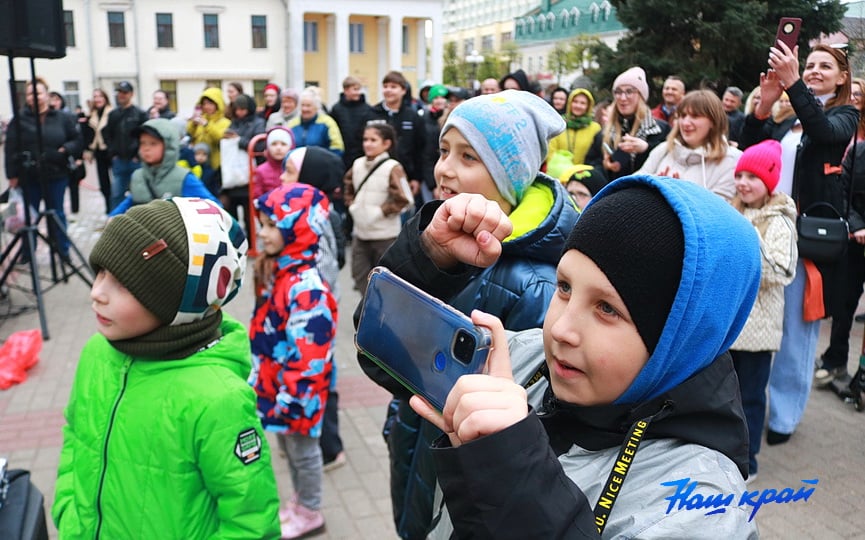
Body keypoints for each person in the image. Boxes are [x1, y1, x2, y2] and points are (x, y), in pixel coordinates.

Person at [374, 175, 760, 538]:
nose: (559, 328)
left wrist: (511, 469)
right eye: (564, 287)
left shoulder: (705, 506)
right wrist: (431, 259)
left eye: (607, 308)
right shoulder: (521, 360)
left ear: (679, 340)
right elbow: (385, 351)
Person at [357, 90, 580, 539]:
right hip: (419, 438)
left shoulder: (535, 283)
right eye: (443, 151)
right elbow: (375, 346)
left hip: (462, 471)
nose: (445, 169)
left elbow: (527, 420)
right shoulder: (444, 234)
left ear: (512, 175)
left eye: (469, 157)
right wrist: (427, 257)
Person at [53, 197, 280, 538]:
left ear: (177, 304)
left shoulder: (219, 399)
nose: (97, 292)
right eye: (100, 271)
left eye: (124, 283)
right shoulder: (97, 353)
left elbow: (251, 520)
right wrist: (68, 509)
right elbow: (76, 434)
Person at [740, 41, 857, 445]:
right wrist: (763, 105)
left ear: (843, 77)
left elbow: (824, 134)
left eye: (826, 66)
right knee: (756, 325)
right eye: (809, 65)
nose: (814, 70)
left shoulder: (845, 115)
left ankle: (784, 417)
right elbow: (748, 150)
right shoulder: (787, 116)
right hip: (765, 229)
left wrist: (792, 85)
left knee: (794, 335)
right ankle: (749, 404)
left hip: (806, 239)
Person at [249, 183, 338, 540]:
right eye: (263, 223)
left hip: (295, 395)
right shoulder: (283, 273)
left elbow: (309, 357)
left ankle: (311, 511)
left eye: (271, 225)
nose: (263, 232)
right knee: (289, 449)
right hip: (278, 388)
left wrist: (291, 400)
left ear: (298, 228)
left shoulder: (306, 287)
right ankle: (300, 501)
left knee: (304, 454)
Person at [729, 139, 797, 481]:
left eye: (752, 177)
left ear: (769, 182)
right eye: (739, 174)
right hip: (730, 325)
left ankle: (748, 460)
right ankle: (724, 451)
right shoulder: (733, 210)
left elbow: (781, 273)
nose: (742, 182)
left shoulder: (780, 221)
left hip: (758, 330)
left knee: (750, 398)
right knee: (726, 395)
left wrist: (749, 239)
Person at [3, 78, 82, 261]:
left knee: (57, 213)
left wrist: (65, 149)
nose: (34, 97)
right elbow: (10, 148)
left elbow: (77, 140)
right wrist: (12, 175)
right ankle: (27, 251)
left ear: (47, 95)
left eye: (38, 93)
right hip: (29, 176)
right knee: (28, 216)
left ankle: (62, 250)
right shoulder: (19, 120)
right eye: (30, 93)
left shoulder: (62, 118)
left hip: (56, 174)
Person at [342, 123, 411, 294]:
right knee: (360, 277)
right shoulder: (357, 164)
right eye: (365, 139)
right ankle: (366, 313)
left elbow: (404, 199)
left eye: (373, 140)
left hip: (384, 236)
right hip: (361, 234)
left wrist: (380, 212)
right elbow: (348, 187)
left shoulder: (393, 167)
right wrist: (353, 206)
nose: (368, 144)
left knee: (385, 282)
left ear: (386, 144)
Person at [637, 89, 742, 200]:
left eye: (695, 116)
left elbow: (720, 210)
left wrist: (680, 198)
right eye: (683, 116)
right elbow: (633, 186)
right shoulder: (664, 149)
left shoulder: (732, 160)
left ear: (713, 121)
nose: (686, 123)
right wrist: (651, 188)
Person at [109, 119, 220, 216]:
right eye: (143, 143)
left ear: (169, 146)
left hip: (174, 238)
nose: (146, 148)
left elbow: (214, 207)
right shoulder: (138, 176)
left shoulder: (183, 178)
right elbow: (133, 199)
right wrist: (113, 217)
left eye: (153, 143)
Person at [364, 71, 426, 212]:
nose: (388, 90)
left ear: (403, 90)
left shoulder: (413, 116)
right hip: (375, 177)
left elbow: (420, 149)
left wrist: (416, 178)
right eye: (385, 86)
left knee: (405, 218)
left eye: (393, 86)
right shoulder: (371, 114)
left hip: (405, 177)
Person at [598, 67, 670, 182]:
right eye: (618, 92)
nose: (622, 98)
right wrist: (605, 166)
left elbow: (670, 160)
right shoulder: (605, 131)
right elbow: (593, 163)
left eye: (629, 91)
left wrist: (646, 148)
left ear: (641, 96)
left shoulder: (660, 129)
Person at [104, 81, 148, 212]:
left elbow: (145, 136)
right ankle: (115, 222)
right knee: (117, 194)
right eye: (119, 92)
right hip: (119, 161)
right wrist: (113, 154)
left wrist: (138, 155)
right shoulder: (113, 114)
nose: (121, 95)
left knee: (140, 193)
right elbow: (108, 135)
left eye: (125, 92)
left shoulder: (140, 114)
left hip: (136, 161)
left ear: (131, 94)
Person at [545, 88, 602, 176]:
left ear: (588, 106)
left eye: (583, 103)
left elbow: (597, 156)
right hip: (559, 175)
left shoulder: (595, 128)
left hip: (585, 176)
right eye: (575, 101)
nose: (578, 106)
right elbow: (551, 152)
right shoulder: (559, 123)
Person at [81, 88, 114, 213]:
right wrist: (88, 151)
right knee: (104, 183)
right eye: (95, 96)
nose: (98, 99)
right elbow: (87, 135)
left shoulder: (112, 113)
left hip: (111, 150)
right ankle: (108, 210)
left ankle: (117, 208)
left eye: (100, 96)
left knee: (117, 182)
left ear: (105, 98)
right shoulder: (91, 115)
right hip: (99, 152)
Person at [331, 76, 373, 170]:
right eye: (355, 89)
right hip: (343, 154)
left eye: (359, 89)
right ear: (346, 90)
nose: (358, 92)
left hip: (361, 153)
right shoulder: (337, 109)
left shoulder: (367, 109)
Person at [288, 88, 344, 156]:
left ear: (316, 107)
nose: (305, 109)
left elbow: (337, 148)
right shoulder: (292, 124)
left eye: (308, 105)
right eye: (302, 105)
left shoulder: (327, 123)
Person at [186, 87, 231, 172]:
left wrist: (207, 125)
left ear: (217, 104)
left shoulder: (225, 122)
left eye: (210, 104)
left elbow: (219, 138)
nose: (207, 107)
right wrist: (193, 124)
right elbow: (190, 134)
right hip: (199, 165)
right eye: (204, 104)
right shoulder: (200, 119)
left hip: (216, 165)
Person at [253, 126, 296, 200]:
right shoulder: (260, 170)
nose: (278, 148)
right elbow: (257, 196)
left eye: (283, 144)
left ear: (291, 147)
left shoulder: (296, 168)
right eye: (274, 144)